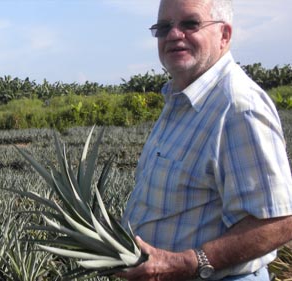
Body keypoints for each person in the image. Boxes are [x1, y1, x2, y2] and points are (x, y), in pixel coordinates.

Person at [118, 0, 292, 280]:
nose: (174, 34)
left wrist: (186, 262)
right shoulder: (180, 98)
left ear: (224, 34)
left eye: (190, 23)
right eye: (164, 27)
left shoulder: (238, 105)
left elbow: (279, 221)